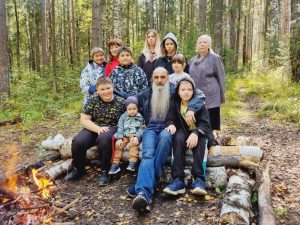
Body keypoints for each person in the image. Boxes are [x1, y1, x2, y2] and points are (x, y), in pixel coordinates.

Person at [129, 67, 206, 212]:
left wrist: (191, 109)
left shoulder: (174, 91)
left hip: (168, 128)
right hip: (150, 129)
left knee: (164, 139)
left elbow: (199, 94)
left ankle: (144, 188)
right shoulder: (146, 94)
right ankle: (144, 193)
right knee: (147, 154)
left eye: (162, 77)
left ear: (168, 78)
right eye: (156, 77)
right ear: (152, 78)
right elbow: (128, 100)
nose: (159, 81)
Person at [65, 77, 126, 186]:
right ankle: (79, 169)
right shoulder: (92, 100)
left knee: (103, 139)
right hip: (95, 126)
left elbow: (127, 120)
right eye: (102, 89)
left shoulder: (121, 102)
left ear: (113, 87)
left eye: (108, 88)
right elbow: (84, 120)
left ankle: (106, 171)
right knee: (78, 141)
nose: (106, 91)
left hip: (113, 127)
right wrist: (98, 129)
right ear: (97, 90)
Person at [163, 78, 213, 196]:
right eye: (183, 89)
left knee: (201, 142)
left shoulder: (200, 104)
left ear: (194, 91)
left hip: (200, 132)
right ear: (178, 92)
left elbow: (206, 125)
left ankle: (199, 179)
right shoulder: (175, 103)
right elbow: (170, 118)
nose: (186, 92)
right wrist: (171, 124)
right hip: (183, 131)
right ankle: (178, 180)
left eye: (189, 89)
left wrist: (196, 133)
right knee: (178, 137)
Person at [189, 34, 225, 134]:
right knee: (199, 119)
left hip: (211, 93)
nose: (202, 44)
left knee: (212, 121)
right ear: (197, 46)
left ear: (209, 45)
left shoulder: (215, 58)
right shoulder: (192, 60)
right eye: (200, 43)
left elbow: (221, 77)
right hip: (197, 94)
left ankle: (214, 138)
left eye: (204, 42)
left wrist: (222, 96)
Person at [109, 96, 144, 174]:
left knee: (133, 144)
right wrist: (119, 138)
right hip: (124, 135)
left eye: (134, 109)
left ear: (137, 108)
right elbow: (120, 128)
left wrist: (137, 137)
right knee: (119, 145)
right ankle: (115, 163)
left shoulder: (140, 117)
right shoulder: (123, 117)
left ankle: (132, 162)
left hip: (133, 135)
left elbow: (141, 129)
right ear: (126, 109)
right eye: (130, 109)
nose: (132, 111)